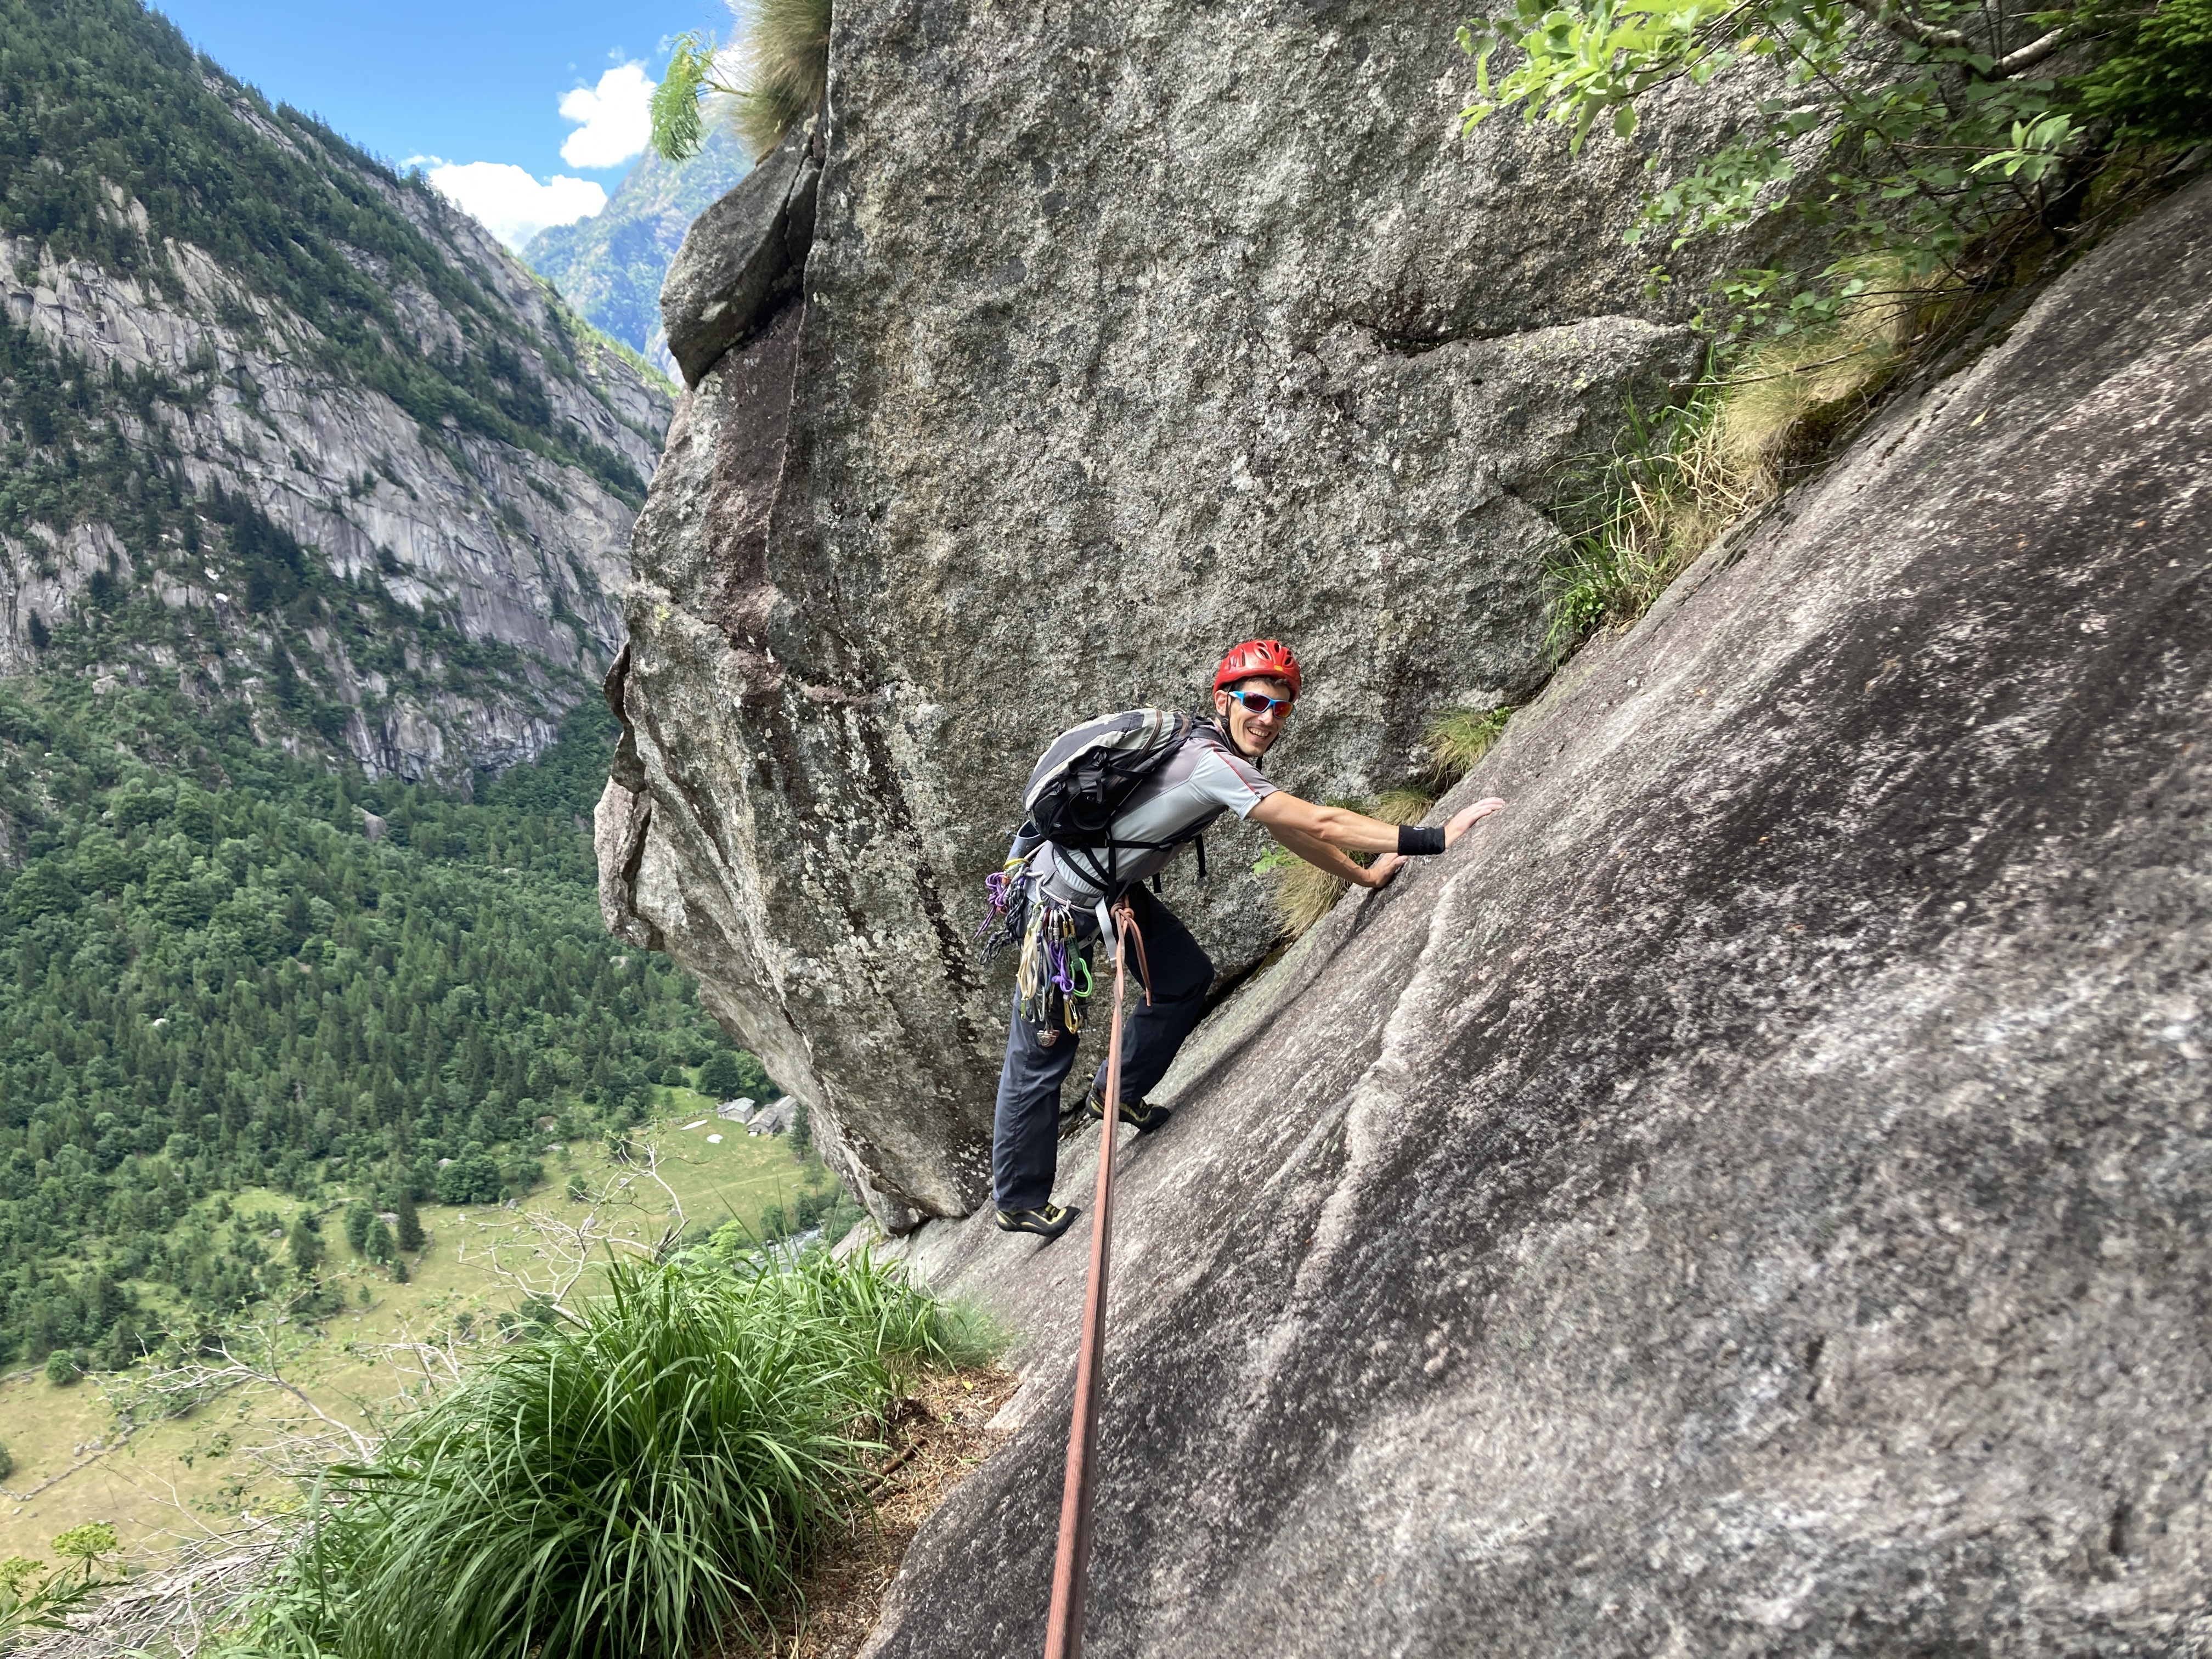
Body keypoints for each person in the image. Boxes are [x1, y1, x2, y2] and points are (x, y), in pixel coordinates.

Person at [989, 639, 1505, 1238]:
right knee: (1041, 1053)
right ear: (1223, 701)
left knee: (1183, 977)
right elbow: (1321, 821)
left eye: (1280, 709)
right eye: (1255, 701)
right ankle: (1018, 1199)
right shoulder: (1212, 765)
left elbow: (1296, 835)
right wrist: (1434, 838)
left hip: (1110, 889)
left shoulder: (1206, 749)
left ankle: (1117, 1092)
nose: (1267, 718)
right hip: (1061, 909)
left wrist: (1364, 875)